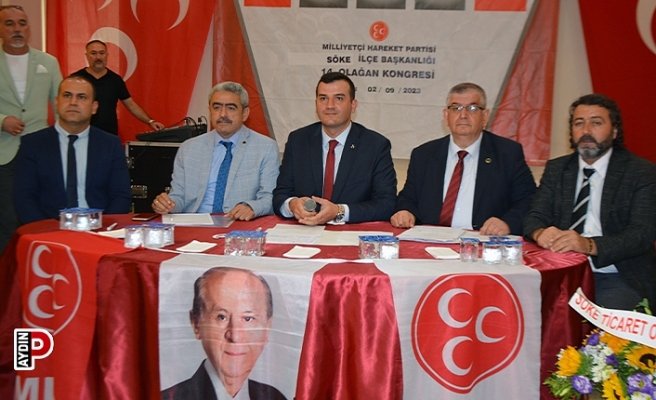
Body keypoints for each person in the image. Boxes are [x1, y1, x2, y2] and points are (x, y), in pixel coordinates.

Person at [524, 93, 656, 310]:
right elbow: (534, 216)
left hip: (616, 276)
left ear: (614, 131)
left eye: (596, 123)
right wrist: (540, 232)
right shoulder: (558, 169)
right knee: (525, 310)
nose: (586, 131)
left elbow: (641, 235)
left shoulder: (641, 172)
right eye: (579, 123)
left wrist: (588, 245)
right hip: (560, 272)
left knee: (602, 322)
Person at [391, 82, 536, 235]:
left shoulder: (508, 153)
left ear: (485, 116)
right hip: (432, 239)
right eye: (456, 108)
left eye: (472, 108)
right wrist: (405, 211)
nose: (463, 115)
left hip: (483, 240)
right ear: (446, 115)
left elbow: (528, 200)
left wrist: (507, 223)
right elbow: (408, 198)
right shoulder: (424, 154)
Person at [272, 71, 397, 225]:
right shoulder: (298, 141)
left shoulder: (375, 145)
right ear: (316, 104)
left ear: (353, 105)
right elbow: (280, 194)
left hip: (351, 233)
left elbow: (387, 203)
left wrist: (339, 211)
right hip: (305, 231)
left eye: (339, 98)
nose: (329, 106)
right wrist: (291, 204)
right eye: (323, 98)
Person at [152, 82, 279, 221]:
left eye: (231, 108)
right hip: (195, 223)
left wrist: (252, 207)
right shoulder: (188, 148)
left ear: (245, 114)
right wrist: (167, 204)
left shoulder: (265, 147)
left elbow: (270, 197)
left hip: (239, 224)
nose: (223, 114)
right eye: (217, 107)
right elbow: (178, 196)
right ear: (210, 111)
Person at [13, 75, 131, 224]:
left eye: (81, 97)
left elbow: (121, 196)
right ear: (57, 102)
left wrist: (103, 228)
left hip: (99, 229)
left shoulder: (110, 144)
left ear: (94, 107)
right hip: (48, 230)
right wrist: (48, 231)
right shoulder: (32, 144)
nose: (73, 102)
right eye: (67, 95)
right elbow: (24, 198)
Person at [161, 267, 286, 400]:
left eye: (248, 319)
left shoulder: (275, 397)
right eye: (221, 317)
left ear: (267, 328)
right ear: (196, 323)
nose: (235, 336)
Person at [0, 5, 62, 250]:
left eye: (22, 23)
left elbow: (60, 103)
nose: (17, 29)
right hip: (4, 153)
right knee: (7, 221)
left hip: (41, 151)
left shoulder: (48, 62)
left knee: (41, 217)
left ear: (29, 28)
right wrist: (2, 120)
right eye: (9, 23)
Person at [73, 40, 164, 135]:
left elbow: (131, 105)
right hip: (80, 134)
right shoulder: (75, 79)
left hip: (109, 135)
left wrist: (150, 121)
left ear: (107, 55)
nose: (98, 57)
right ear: (87, 55)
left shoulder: (115, 80)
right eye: (93, 53)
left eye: (102, 53)